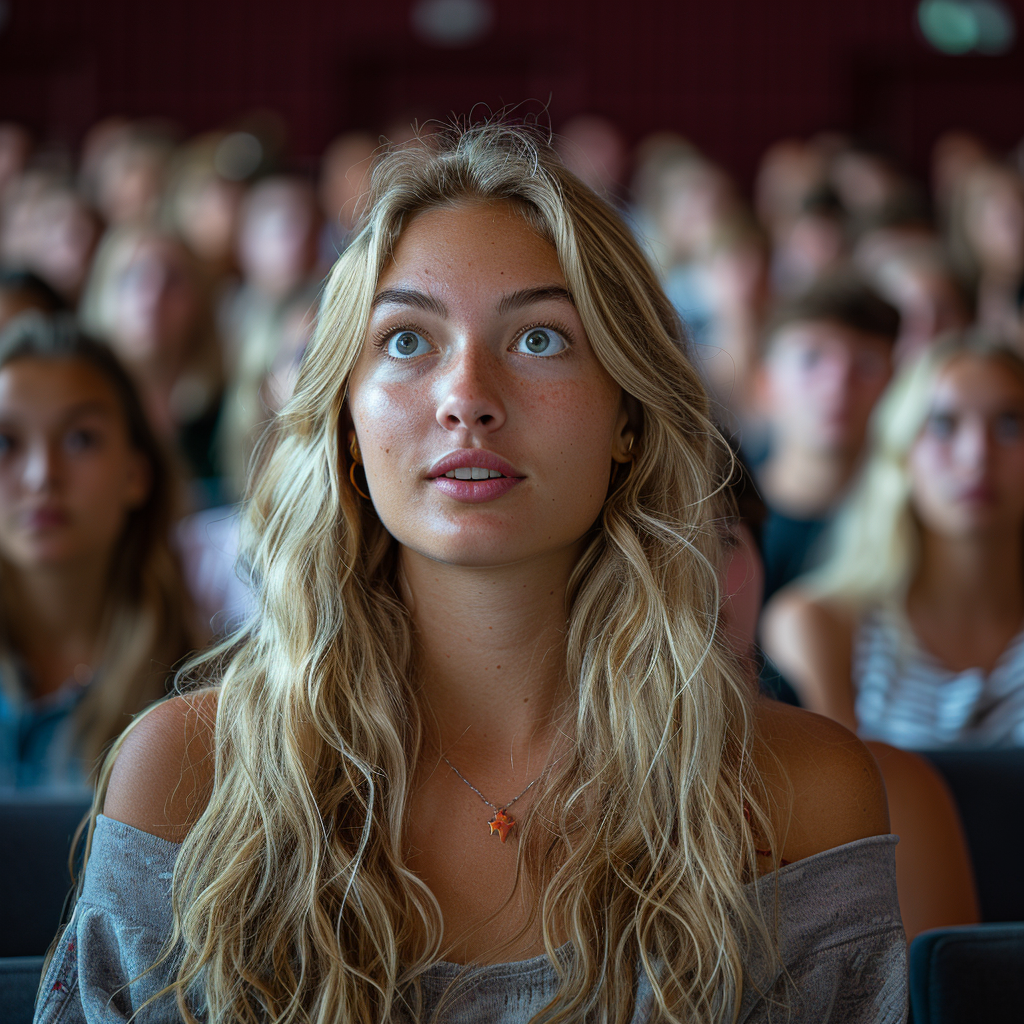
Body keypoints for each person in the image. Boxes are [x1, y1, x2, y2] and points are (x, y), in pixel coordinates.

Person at [37, 123, 904, 1023]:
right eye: (408, 342)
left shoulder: (795, 795)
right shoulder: (186, 776)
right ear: (346, 421)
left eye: (540, 340)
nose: (467, 397)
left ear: (629, 419)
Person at [763, 331, 1024, 749]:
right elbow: (843, 811)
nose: (977, 454)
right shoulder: (821, 626)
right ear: (901, 454)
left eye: (1010, 424)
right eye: (943, 424)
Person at [0, 313, 199, 790]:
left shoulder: (199, 691)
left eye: (80, 438)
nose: (41, 476)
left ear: (136, 474)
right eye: (5, 442)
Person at [753, 274, 899, 600]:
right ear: (764, 385)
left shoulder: (911, 527)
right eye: (811, 359)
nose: (839, 384)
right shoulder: (711, 515)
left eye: (866, 364)